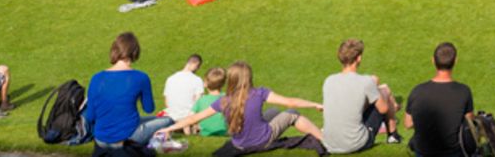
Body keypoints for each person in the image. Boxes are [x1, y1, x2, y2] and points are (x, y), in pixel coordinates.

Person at [177, 59, 323, 151]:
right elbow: (290, 102)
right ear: (249, 77)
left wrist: (169, 128)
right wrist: (314, 104)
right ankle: (324, 139)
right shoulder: (259, 93)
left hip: (239, 144)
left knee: (273, 111)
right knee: (292, 114)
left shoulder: (224, 100)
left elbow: (193, 118)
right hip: (261, 141)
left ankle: (257, 129)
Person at [84, 32, 179, 149]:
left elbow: (90, 116)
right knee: (168, 121)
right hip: (127, 138)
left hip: (101, 139)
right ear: (135, 52)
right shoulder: (140, 77)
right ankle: (152, 144)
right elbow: (149, 109)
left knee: (151, 120)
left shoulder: (96, 78)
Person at [320, 39, 401, 153]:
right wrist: (381, 93)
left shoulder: (329, 80)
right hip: (355, 143)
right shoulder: (365, 82)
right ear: (359, 58)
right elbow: (383, 109)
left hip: (330, 143)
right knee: (385, 90)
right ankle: (393, 136)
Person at [403, 42, 473, 157]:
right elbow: (469, 123)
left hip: (423, 153)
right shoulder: (464, 91)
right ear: (455, 61)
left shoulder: (417, 91)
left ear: (433, 61)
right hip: (453, 153)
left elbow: (408, 124)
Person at [165, 55, 206, 121]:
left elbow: (167, 103)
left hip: (171, 116)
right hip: (188, 117)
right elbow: (198, 103)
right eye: (198, 67)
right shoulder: (197, 80)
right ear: (196, 64)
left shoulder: (170, 79)